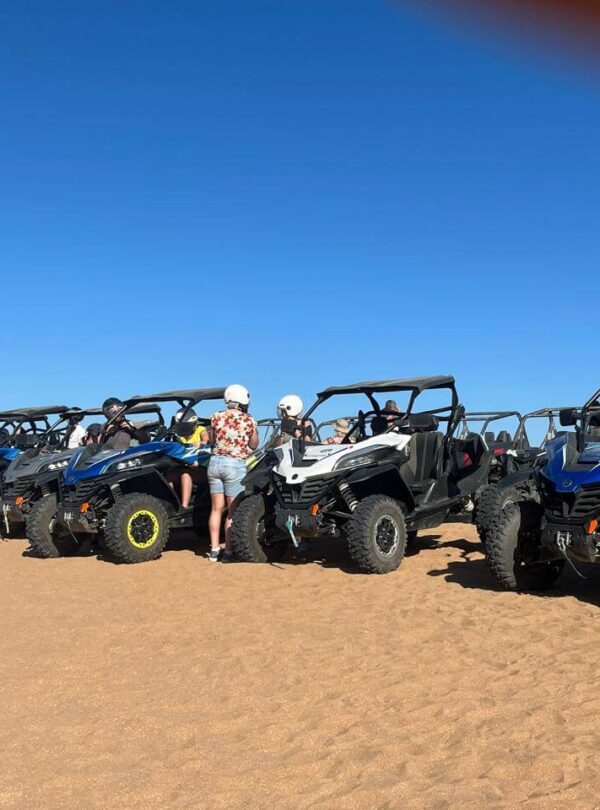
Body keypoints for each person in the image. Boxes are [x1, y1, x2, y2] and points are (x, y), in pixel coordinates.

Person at [201, 385, 259, 562]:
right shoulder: (248, 419)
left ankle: (214, 550)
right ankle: (228, 551)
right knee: (232, 512)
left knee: (216, 509)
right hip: (234, 464)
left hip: (215, 463)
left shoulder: (216, 416)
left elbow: (211, 438)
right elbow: (254, 445)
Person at [172, 407, 206, 509]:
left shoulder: (200, 430)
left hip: (200, 468)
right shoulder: (178, 435)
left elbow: (205, 439)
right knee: (167, 476)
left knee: (185, 475)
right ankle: (170, 503)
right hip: (183, 466)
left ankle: (184, 506)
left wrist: (201, 443)